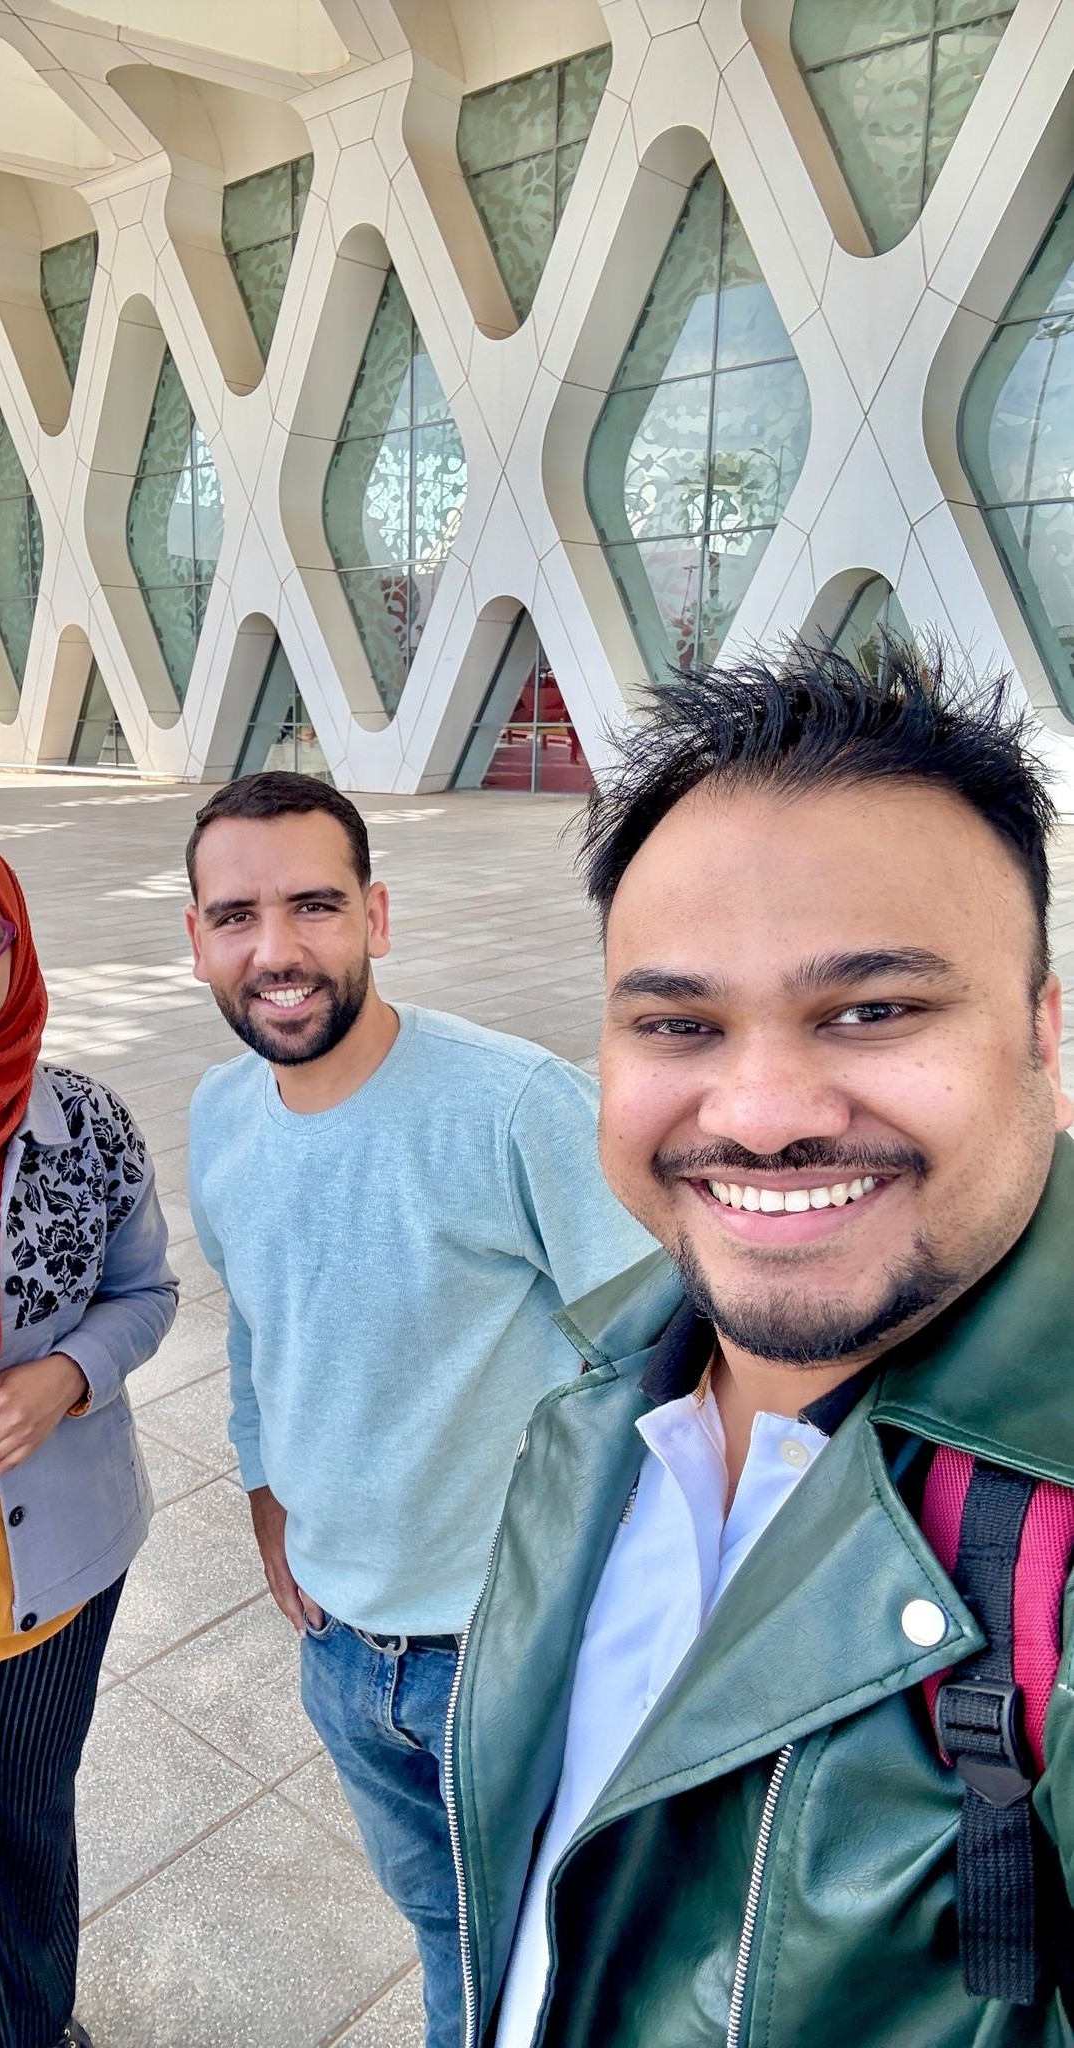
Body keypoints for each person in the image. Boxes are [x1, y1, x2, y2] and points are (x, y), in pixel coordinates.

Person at [447, 644, 1074, 2048]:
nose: (762, 1112)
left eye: (869, 1011)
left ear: (1041, 1029)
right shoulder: (603, 1388)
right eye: (679, 1022)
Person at [184, 771, 656, 2048]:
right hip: (341, 1645)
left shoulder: (512, 1104)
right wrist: (264, 1484)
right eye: (235, 915)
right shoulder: (222, 1113)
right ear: (196, 940)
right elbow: (258, 1332)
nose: (275, 950)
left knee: (556, 1946)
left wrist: (605, 1592)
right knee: (444, 1926)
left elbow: (656, 1352)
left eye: (314, 905)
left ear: (377, 916)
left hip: (508, 1651)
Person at [0, 835, 177, 2048]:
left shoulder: (86, 1121)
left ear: (18, 947)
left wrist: (61, 1375)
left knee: (29, 1816)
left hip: (57, 1566)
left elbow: (146, 1293)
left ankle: (36, 2025)